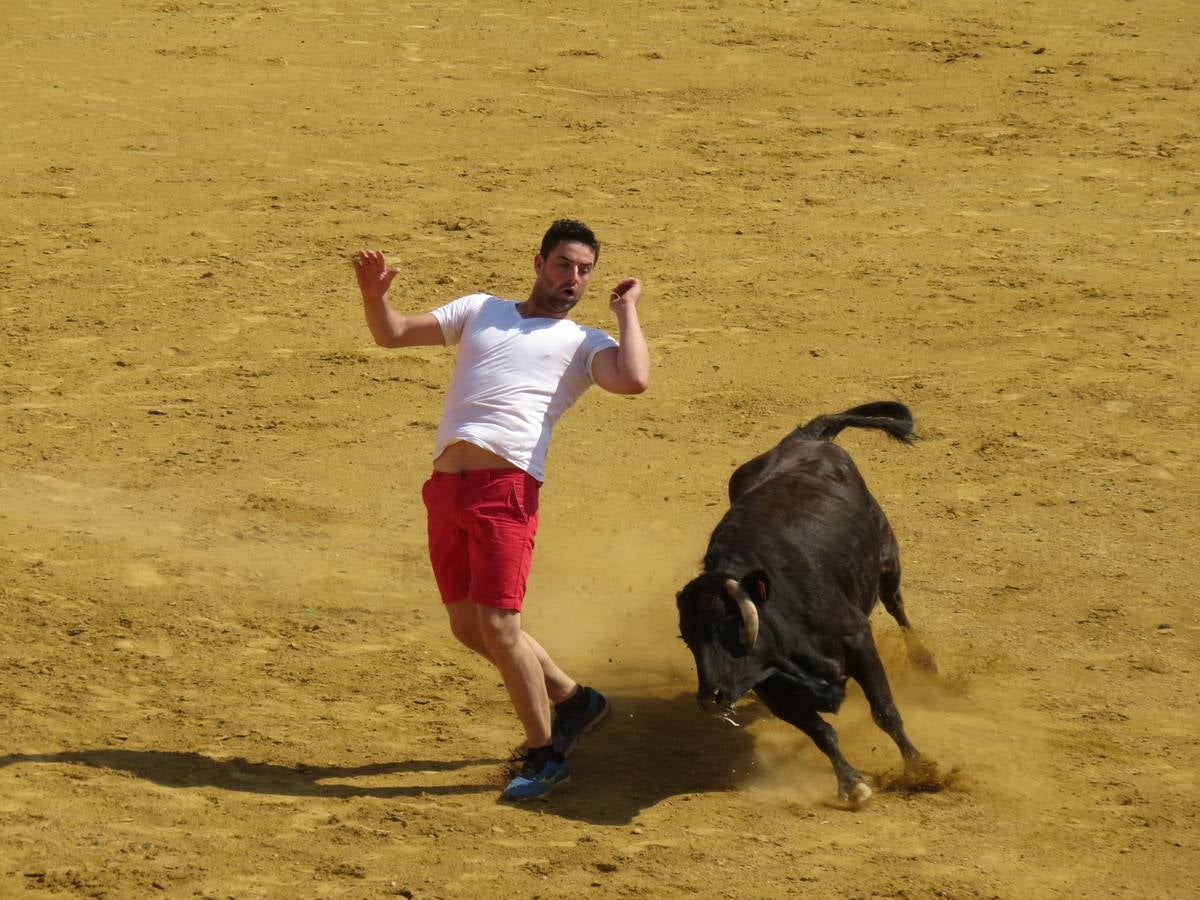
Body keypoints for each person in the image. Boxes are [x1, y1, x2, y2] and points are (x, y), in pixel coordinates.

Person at [352, 219, 650, 801]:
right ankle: (576, 700)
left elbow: (635, 379)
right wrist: (374, 296)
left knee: (499, 626)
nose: (574, 279)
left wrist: (626, 314)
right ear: (538, 262)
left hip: (506, 489)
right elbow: (392, 335)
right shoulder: (479, 309)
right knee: (470, 628)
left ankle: (546, 756)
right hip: (445, 487)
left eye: (585, 271)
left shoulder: (585, 343)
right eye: (564, 264)